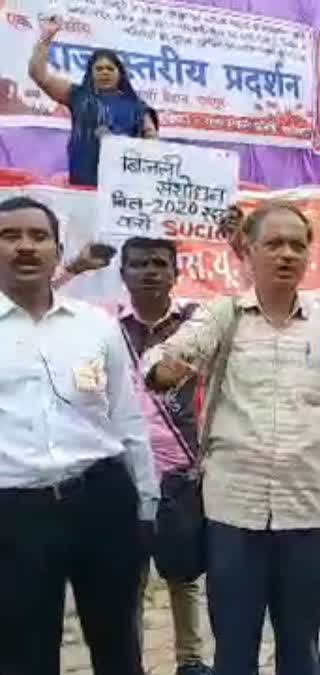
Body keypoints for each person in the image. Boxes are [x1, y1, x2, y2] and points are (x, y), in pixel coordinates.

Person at [143, 202, 320, 675]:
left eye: (297, 244)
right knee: (234, 651)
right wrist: (166, 369)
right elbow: (169, 357)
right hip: (233, 517)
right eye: (274, 244)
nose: (287, 254)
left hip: (307, 513)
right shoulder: (223, 315)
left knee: (301, 648)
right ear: (248, 250)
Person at [0, 196, 159, 675]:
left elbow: (128, 420)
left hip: (101, 499)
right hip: (14, 512)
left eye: (38, 236)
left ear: (57, 249)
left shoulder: (97, 327)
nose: (26, 247)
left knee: (118, 643)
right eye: (10, 236)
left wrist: (146, 503)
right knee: (21, 650)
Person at [56, 236, 213, 675]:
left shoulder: (198, 323)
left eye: (159, 263)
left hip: (182, 468)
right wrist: (75, 268)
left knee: (183, 573)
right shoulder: (102, 322)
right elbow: (39, 303)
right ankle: (132, 663)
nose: (149, 271)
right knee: (129, 577)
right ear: (122, 273)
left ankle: (191, 660)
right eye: (138, 264)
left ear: (175, 274)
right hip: (121, 471)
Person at [28, 17, 154, 186]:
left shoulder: (137, 106)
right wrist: (46, 38)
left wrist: (117, 144)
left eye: (110, 68)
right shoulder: (79, 96)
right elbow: (39, 75)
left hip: (123, 187)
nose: (104, 72)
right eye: (99, 68)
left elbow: (152, 144)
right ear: (91, 73)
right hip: (83, 183)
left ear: (120, 73)